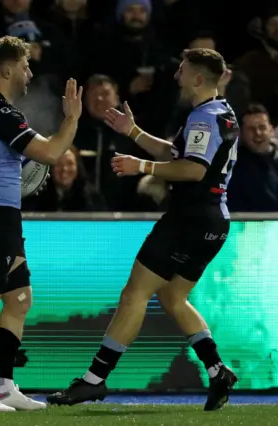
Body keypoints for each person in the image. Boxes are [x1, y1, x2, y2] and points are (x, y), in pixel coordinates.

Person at [47, 48, 239, 411]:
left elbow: (193, 170)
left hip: (189, 219)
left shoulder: (203, 118)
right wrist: (132, 131)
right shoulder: (220, 112)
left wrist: (142, 167)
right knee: (172, 298)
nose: (177, 75)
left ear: (199, 78)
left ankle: (93, 381)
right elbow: (177, 154)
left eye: (183, 69)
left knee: (134, 294)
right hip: (213, 220)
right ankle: (217, 371)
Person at [0, 35, 83, 412]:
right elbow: (50, 152)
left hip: (1, 217)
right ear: (7, 69)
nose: (30, 73)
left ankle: (4, 386)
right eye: (25, 66)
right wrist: (72, 118)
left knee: (19, 299)